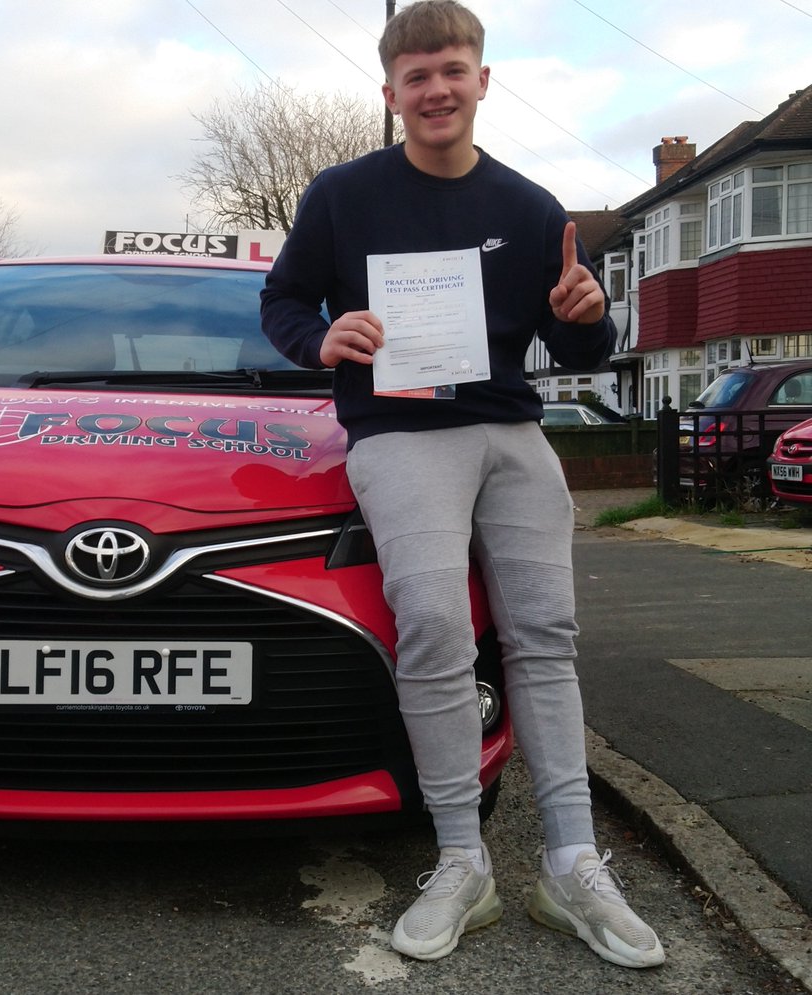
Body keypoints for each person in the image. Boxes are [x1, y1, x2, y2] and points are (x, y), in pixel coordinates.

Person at [259, 0, 664, 970]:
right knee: (436, 624)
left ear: (483, 79)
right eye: (416, 74)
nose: (435, 88)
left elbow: (579, 344)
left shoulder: (529, 209)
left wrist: (586, 314)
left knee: (545, 632)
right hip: (399, 430)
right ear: (392, 92)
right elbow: (281, 299)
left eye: (452, 69)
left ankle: (570, 862)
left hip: (509, 428)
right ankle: (460, 858)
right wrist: (323, 338)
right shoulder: (341, 196)